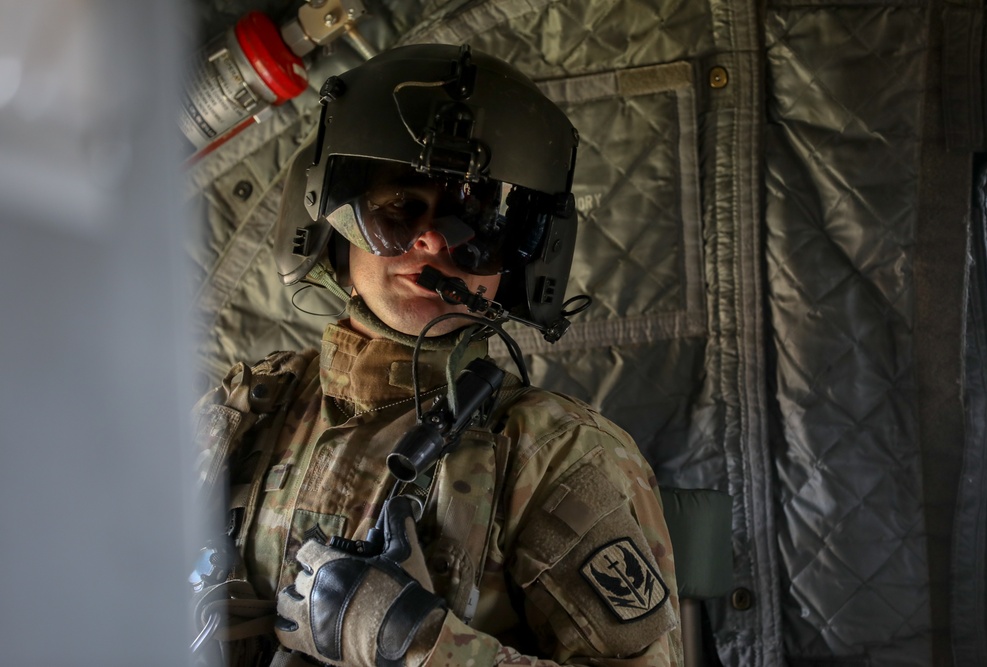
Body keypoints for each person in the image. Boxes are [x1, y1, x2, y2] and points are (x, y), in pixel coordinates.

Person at [191, 43, 683, 667]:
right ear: (333, 227)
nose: (431, 239)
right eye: (398, 209)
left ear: (521, 262)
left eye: (476, 222)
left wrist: (419, 645)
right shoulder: (247, 406)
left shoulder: (555, 455)